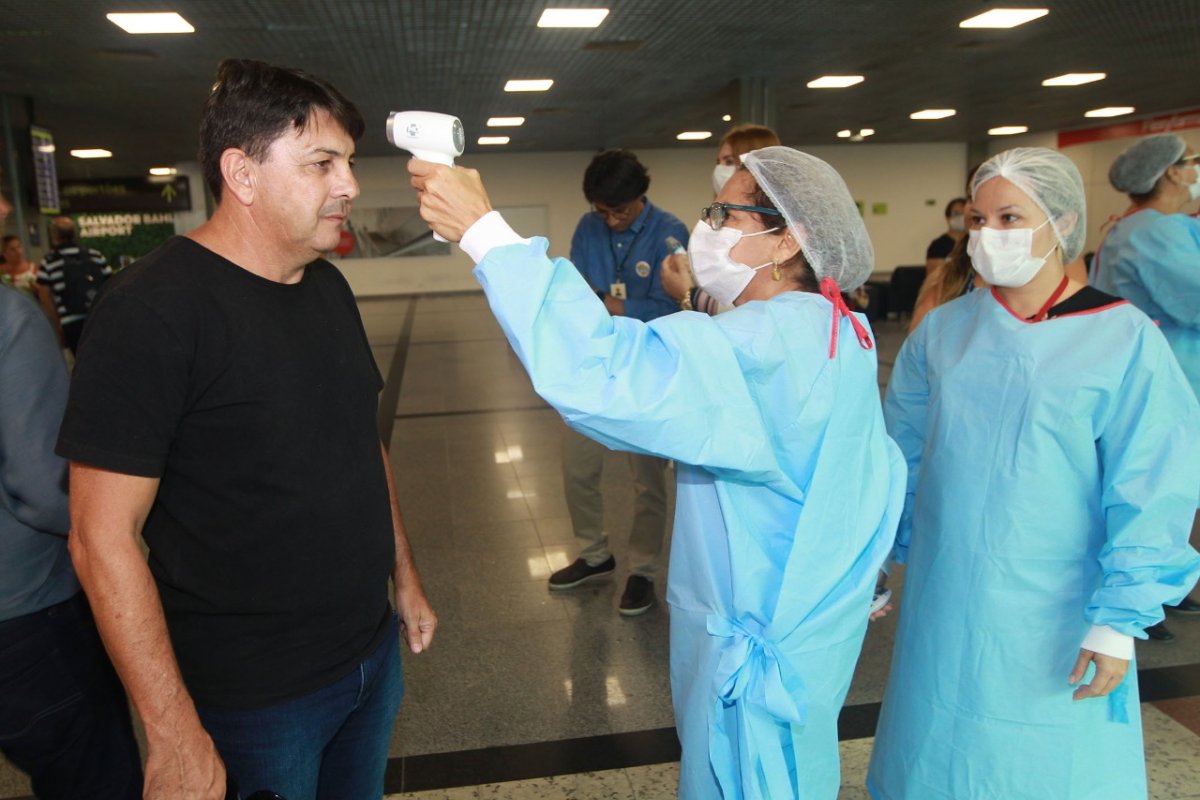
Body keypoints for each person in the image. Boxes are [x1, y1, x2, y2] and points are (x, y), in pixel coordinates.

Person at [410, 145, 905, 798]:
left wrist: (483, 231)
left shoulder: (763, 347)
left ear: (788, 241)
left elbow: (600, 370)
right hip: (808, 638)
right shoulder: (839, 329)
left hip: (753, 669)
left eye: (725, 214)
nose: (707, 227)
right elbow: (870, 474)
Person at [57, 59, 436, 800]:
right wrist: (172, 730)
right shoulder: (151, 313)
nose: (350, 185)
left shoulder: (326, 287)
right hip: (255, 699)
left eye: (349, 163)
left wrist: (405, 577)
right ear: (243, 174)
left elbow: (362, 444)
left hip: (369, 658)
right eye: (322, 163)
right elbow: (99, 539)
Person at [867, 147, 1200, 800]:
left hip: (1059, 613)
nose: (989, 234)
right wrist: (875, 558)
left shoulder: (1122, 338)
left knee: (1045, 763)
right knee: (937, 754)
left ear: (1062, 222)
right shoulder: (944, 335)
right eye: (979, 219)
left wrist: (1120, 619)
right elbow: (898, 458)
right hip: (944, 598)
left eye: (1010, 218)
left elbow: (1152, 486)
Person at [0, 184, 143, 799]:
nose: (7, 209)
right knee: (93, 772)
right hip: (26, 614)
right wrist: (122, 524)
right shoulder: (8, 320)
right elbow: (44, 486)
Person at [546, 149, 689, 616]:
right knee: (577, 470)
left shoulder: (670, 234)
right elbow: (576, 292)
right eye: (601, 211)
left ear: (640, 197)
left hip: (645, 374)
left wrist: (612, 305)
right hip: (593, 369)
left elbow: (672, 308)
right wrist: (607, 305)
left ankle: (643, 570)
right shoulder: (588, 228)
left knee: (648, 482)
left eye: (619, 212)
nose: (609, 220)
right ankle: (594, 555)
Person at [1092, 133, 1200, 627]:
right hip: (1174, 373)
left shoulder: (1140, 227)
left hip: (1155, 372)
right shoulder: (1154, 232)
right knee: (1164, 482)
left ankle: (1166, 589)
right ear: (1172, 171)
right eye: (1190, 162)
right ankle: (1157, 594)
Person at [664, 124, 783, 315]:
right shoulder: (717, 221)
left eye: (728, 161)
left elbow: (747, 304)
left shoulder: (769, 229)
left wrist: (687, 294)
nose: (719, 169)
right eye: (718, 162)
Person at [35, 216, 113, 354]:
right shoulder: (96, 256)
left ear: (54, 236)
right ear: (74, 234)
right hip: (99, 318)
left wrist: (57, 328)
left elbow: (45, 298)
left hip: (71, 324)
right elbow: (111, 286)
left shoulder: (50, 262)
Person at [924, 197, 966, 272]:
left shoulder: (973, 242)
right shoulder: (938, 246)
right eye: (957, 214)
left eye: (964, 214)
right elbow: (935, 275)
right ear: (948, 218)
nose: (961, 217)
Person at [2, 234, 38, 299]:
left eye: (19, 247)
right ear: (4, 254)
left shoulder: (34, 268)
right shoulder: (1, 271)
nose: (18, 251)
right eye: (12, 249)